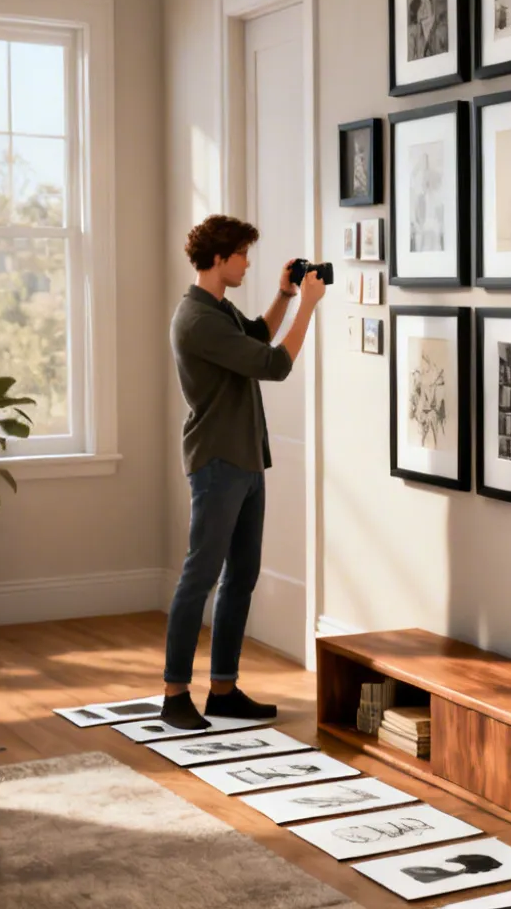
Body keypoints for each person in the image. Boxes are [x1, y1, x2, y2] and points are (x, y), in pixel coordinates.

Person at [162, 215, 327, 730]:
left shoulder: (216, 308)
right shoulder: (197, 319)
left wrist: (285, 295)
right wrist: (309, 307)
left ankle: (223, 689)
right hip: (218, 461)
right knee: (200, 577)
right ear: (219, 258)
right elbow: (274, 364)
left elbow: (257, 335)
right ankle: (174, 694)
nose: (247, 264)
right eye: (242, 255)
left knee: (241, 575)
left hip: (245, 457)